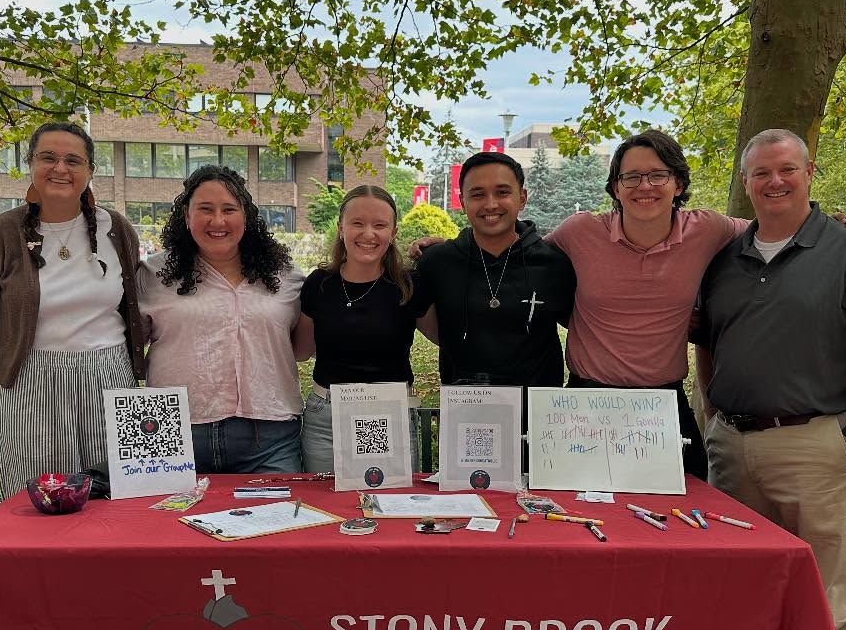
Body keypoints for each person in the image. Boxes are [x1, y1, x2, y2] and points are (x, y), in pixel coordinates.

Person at [693, 128, 846, 630]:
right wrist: (711, 416)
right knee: (742, 584)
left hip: (816, 446)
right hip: (733, 447)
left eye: (787, 169)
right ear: (746, 183)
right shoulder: (726, 258)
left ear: (809, 172)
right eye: (761, 173)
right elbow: (705, 343)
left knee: (830, 589)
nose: (775, 181)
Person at [0, 122, 147, 497]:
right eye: (48, 157)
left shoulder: (115, 229)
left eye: (74, 160)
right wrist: (16, 350)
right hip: (32, 383)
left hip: (111, 380)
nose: (60, 168)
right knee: (39, 502)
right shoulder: (0, 233)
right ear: (30, 164)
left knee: (115, 500)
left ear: (90, 171)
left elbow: (134, 305)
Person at [547, 130, 745, 480]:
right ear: (615, 187)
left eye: (658, 175)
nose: (645, 186)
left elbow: (777, 233)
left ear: (678, 184)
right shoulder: (579, 232)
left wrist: (837, 228)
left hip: (662, 406)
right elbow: (517, 257)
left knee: (681, 520)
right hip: (586, 404)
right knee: (579, 517)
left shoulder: (708, 229)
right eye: (632, 177)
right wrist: (448, 250)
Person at [139, 165, 306, 474]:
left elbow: (302, 347)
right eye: (205, 209)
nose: (218, 221)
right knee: (167, 524)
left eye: (229, 209)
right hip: (172, 435)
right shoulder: (151, 276)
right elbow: (128, 348)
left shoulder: (289, 279)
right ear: (186, 217)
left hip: (270, 441)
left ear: (246, 216)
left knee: (277, 522)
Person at [410, 151, 575, 387]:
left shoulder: (553, 263)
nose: (490, 204)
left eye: (502, 192)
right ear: (463, 202)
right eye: (477, 194)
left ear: (522, 198)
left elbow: (582, 325)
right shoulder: (437, 262)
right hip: (466, 409)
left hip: (536, 412)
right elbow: (420, 317)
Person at [292, 185, 419, 473]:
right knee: (326, 507)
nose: (368, 234)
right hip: (327, 419)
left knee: (389, 508)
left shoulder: (408, 285)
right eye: (357, 223)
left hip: (389, 415)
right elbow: (301, 351)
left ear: (394, 232)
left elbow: (445, 337)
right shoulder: (319, 284)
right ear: (341, 228)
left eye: (380, 225)